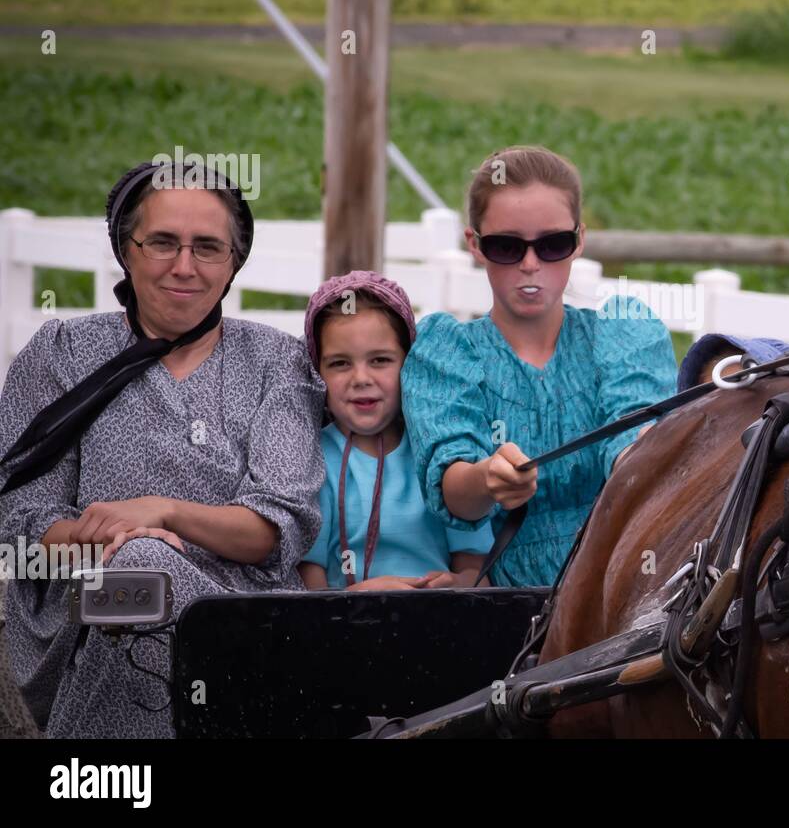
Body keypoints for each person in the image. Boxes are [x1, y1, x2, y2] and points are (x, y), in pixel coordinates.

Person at [0, 161, 324, 737]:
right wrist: (112, 540)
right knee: (134, 578)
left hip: (237, 606)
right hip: (90, 600)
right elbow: (20, 520)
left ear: (233, 264)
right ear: (126, 250)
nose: (184, 266)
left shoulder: (277, 363)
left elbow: (274, 529)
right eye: (162, 243)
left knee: (145, 571)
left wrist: (163, 513)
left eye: (207, 248)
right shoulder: (61, 353)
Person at [403, 146, 678, 587]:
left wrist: (650, 447)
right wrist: (486, 479)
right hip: (508, 594)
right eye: (507, 247)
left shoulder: (625, 333)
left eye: (553, 245)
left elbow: (634, 445)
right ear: (475, 245)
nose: (531, 265)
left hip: (620, 580)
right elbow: (454, 493)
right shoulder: (447, 351)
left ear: (580, 241)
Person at [299, 271, 492, 591]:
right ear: (317, 371)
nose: (360, 378)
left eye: (380, 360)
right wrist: (359, 596)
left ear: (409, 366)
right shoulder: (313, 460)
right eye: (340, 364)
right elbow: (309, 586)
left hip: (441, 628)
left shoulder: (441, 458)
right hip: (342, 632)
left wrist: (455, 585)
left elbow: (477, 574)